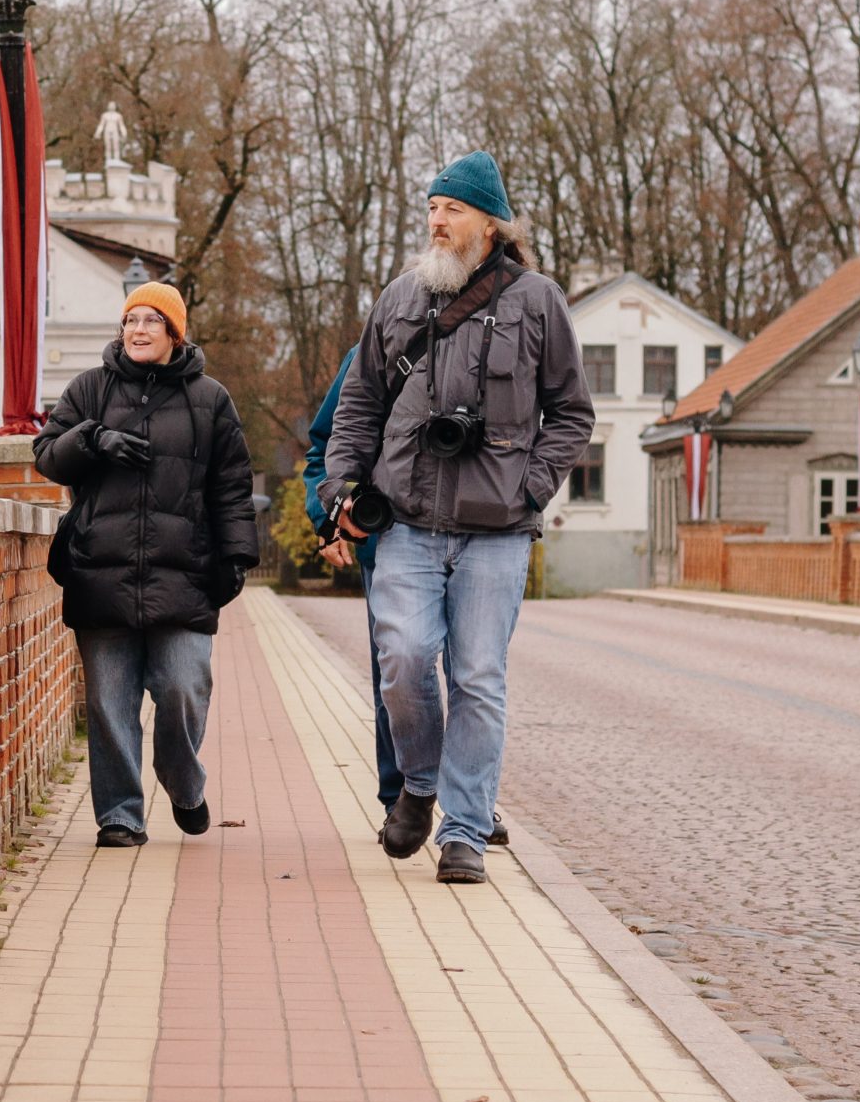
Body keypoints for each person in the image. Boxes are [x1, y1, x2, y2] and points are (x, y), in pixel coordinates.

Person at [317, 152, 593, 884]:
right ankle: (419, 781)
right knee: (403, 661)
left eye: (453, 210)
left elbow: (572, 413)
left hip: (497, 530)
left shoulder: (538, 301)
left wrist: (530, 488)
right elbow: (358, 404)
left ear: (491, 223)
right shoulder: (401, 297)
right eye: (433, 208)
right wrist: (340, 488)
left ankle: (464, 829)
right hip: (407, 521)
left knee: (477, 677)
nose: (437, 221)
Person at [34, 281, 257, 847]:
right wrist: (93, 439)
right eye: (130, 320)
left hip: (184, 574)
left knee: (184, 688)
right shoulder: (89, 389)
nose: (137, 330)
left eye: (151, 321)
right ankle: (121, 815)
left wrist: (236, 556)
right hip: (100, 572)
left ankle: (183, 783)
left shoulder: (211, 399)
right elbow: (47, 457)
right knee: (109, 704)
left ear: (174, 332)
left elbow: (232, 486)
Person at [300, 347, 401, 812]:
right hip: (389, 542)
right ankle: (400, 799)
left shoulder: (494, 337)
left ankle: (470, 801)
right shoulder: (372, 353)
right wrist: (328, 518)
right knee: (397, 673)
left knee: (473, 678)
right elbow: (324, 447)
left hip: (475, 537)